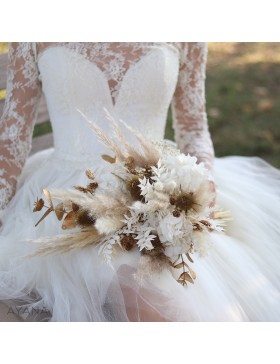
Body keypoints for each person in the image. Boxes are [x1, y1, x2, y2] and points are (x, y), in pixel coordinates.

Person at [0, 42, 280, 321]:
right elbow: (11, 140)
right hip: (64, 203)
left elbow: (194, 129)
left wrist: (200, 185)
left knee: (174, 294)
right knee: (130, 292)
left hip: (159, 188)